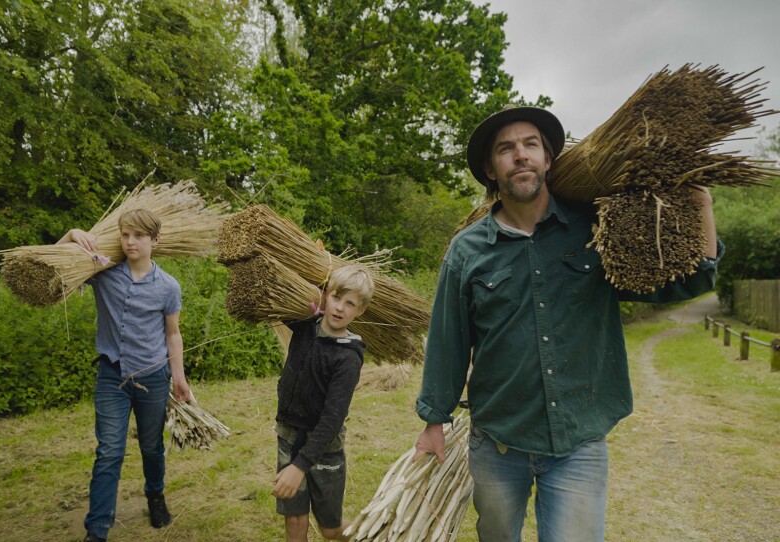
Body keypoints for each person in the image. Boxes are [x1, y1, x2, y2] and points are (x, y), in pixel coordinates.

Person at [413, 106, 721, 541]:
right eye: (506, 149)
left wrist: (701, 200)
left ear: (549, 158)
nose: (520, 155)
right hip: (498, 442)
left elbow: (685, 281)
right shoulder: (467, 251)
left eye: (530, 144)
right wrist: (433, 421)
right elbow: (448, 341)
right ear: (490, 168)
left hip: (579, 442)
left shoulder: (596, 230)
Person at [57, 209, 192, 542]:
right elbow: (54, 264)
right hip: (111, 375)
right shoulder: (102, 271)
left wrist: (179, 376)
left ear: (154, 240)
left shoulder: (168, 287)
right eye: (125, 235)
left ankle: (155, 495)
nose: (130, 242)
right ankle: (98, 527)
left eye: (138, 236)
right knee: (109, 451)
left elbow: (173, 333)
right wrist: (72, 233)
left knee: (150, 447)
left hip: (153, 377)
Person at [272, 265, 375, 542]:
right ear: (325, 294)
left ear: (360, 310)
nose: (340, 308)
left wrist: (300, 466)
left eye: (350, 303)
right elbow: (275, 295)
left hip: (324, 448)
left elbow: (332, 419)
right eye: (335, 297)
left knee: (330, 530)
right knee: (294, 520)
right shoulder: (306, 325)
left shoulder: (348, 357)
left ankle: (371, 536)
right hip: (288, 435)